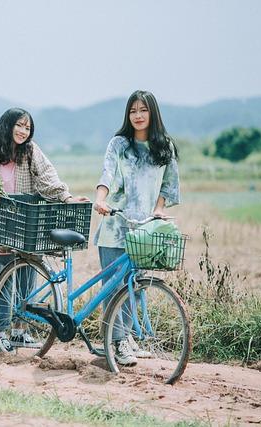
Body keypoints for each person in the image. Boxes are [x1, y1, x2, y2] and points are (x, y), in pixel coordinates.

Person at [0, 107, 89, 348]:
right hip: (2, 222)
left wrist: (66, 197)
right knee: (0, 279)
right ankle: (0, 329)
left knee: (26, 276)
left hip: (28, 221)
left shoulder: (31, 151)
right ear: (7, 125)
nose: (23, 131)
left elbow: (47, 177)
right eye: (19, 125)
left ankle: (20, 329)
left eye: (27, 127)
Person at [92, 90, 180, 366]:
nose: (138, 116)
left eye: (143, 110)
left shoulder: (164, 146)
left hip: (144, 229)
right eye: (133, 111)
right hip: (116, 225)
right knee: (115, 286)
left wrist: (160, 208)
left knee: (135, 287)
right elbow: (107, 172)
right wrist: (101, 198)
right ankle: (116, 343)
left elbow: (169, 182)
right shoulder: (119, 144)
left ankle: (125, 337)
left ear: (152, 113)